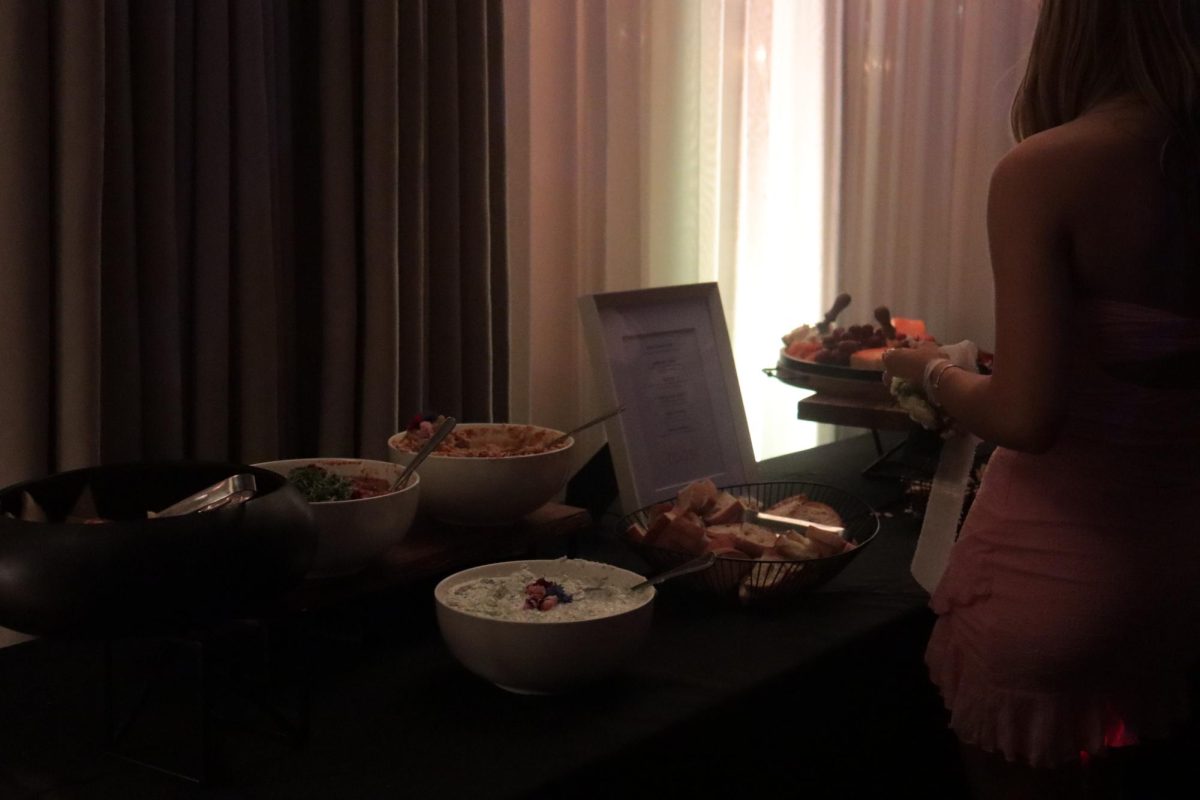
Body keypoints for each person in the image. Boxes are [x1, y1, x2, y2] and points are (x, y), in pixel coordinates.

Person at [880, 1, 1200, 797]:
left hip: (1057, 574)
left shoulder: (1049, 168)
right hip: (1175, 575)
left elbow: (1028, 416)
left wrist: (930, 372)